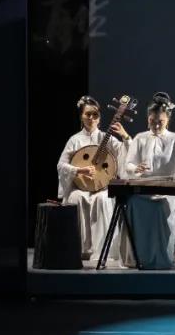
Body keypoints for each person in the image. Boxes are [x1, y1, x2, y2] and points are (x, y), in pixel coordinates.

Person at [119, 92, 175, 269]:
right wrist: (135, 169)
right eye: (152, 121)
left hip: (167, 192)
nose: (156, 125)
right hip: (144, 190)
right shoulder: (140, 138)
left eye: (160, 121)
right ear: (148, 119)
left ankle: (161, 256)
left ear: (167, 120)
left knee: (160, 206)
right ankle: (138, 257)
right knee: (134, 203)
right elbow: (128, 163)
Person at [55, 95, 130, 259]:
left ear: (100, 118)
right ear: (81, 116)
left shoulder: (106, 138)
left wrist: (125, 136)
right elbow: (61, 165)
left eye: (95, 115)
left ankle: (103, 250)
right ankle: (81, 249)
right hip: (80, 185)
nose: (91, 118)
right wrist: (79, 171)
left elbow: (127, 155)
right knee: (77, 198)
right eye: (87, 114)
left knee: (102, 200)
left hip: (102, 187)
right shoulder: (74, 140)